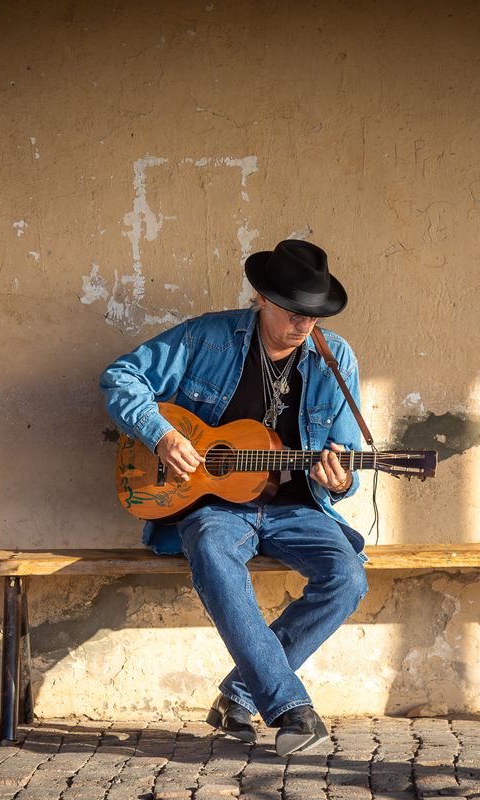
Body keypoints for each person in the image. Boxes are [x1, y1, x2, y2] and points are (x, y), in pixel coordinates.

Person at [100, 239, 368, 756]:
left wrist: (341, 480)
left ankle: (241, 693)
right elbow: (121, 377)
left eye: (312, 316)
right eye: (292, 312)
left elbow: (346, 455)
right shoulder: (210, 338)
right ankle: (290, 709)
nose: (302, 325)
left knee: (348, 576)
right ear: (262, 298)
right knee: (213, 551)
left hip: (297, 505)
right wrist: (160, 433)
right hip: (213, 506)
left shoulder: (336, 360)